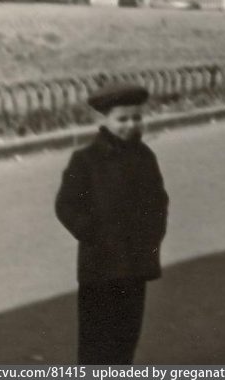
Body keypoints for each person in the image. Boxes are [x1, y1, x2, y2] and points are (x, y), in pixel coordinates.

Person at [55, 83, 169, 365]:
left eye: (137, 117)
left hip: (135, 263)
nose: (131, 125)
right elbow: (66, 205)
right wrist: (93, 234)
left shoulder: (145, 157)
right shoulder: (86, 160)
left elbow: (158, 201)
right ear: (102, 120)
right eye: (122, 119)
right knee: (97, 337)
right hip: (101, 266)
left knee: (127, 333)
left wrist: (152, 237)